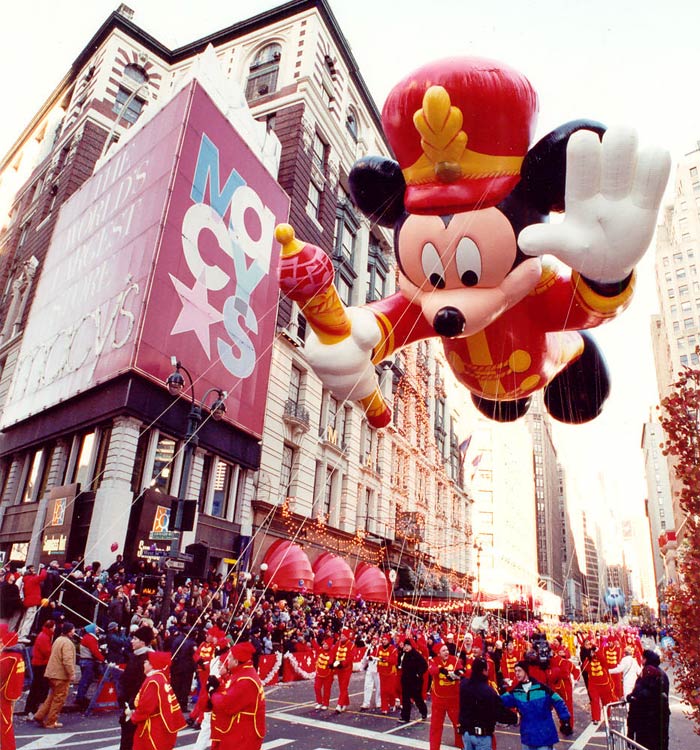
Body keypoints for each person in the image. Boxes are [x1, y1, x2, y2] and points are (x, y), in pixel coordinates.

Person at [500, 661, 572, 750]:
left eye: (519, 670)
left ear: (526, 671)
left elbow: (558, 700)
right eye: (515, 671)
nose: (517, 673)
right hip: (527, 737)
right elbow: (499, 702)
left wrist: (565, 720)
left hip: (544, 736)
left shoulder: (542, 688)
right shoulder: (516, 692)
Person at [210, 641, 266, 750]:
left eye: (230, 658)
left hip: (244, 733)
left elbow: (227, 705)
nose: (227, 661)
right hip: (240, 729)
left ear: (236, 661)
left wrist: (213, 694)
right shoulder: (242, 673)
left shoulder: (246, 680)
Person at [128, 651, 186, 750]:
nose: (143, 664)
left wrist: (132, 716)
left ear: (152, 665)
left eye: (146, 662)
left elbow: (145, 708)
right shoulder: (161, 677)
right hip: (161, 725)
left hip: (154, 728)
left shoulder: (153, 682)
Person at [459, 656, 517, 750]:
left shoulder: (464, 685)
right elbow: (499, 712)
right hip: (482, 736)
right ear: (484, 671)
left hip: (466, 734)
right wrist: (515, 718)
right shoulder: (488, 691)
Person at [34, 621, 77, 729]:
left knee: (51, 697)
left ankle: (40, 715)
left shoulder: (58, 640)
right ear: (70, 631)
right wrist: (71, 673)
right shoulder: (67, 643)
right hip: (60, 675)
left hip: (52, 673)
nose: (74, 631)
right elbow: (67, 660)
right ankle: (51, 721)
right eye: (73, 629)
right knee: (59, 699)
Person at [118, 625, 154, 750]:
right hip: (128, 702)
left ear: (143, 642)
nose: (132, 641)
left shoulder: (147, 659)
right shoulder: (135, 655)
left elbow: (141, 684)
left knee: (131, 738)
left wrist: (132, 704)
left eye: (135, 638)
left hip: (135, 705)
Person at [626, 650, 670, 750]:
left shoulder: (647, 674)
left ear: (645, 660)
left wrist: (630, 697)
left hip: (645, 723)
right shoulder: (662, 674)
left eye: (643, 658)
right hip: (660, 721)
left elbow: (637, 700)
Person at [428, 643, 464, 750]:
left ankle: (460, 744)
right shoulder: (434, 661)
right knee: (436, 726)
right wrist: (441, 669)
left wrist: (458, 673)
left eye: (447, 650)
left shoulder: (454, 659)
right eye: (443, 651)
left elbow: (461, 670)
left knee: (458, 724)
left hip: (454, 699)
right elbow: (431, 670)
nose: (446, 652)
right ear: (438, 653)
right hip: (439, 700)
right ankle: (434, 747)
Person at [22, 619, 55, 719]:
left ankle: (33, 709)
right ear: (50, 627)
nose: (55, 628)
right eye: (54, 627)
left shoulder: (43, 635)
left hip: (39, 664)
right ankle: (33, 709)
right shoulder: (44, 637)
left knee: (37, 687)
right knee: (38, 687)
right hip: (41, 665)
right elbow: (47, 652)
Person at [0, 624, 25, 750]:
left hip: (2, 695)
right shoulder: (18, 656)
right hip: (11, 693)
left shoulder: (6, 658)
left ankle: (8, 747)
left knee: (5, 723)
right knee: (6, 721)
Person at [580, 644, 617, 723]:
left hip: (604, 684)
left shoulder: (601, 659)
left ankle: (608, 715)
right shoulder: (588, 660)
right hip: (593, 685)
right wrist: (588, 660)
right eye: (591, 652)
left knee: (606, 702)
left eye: (594, 652)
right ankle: (596, 718)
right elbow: (585, 669)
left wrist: (597, 651)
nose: (593, 653)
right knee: (595, 701)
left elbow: (603, 660)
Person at [74, 623, 106, 709]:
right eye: (96, 628)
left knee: (86, 680)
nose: (97, 630)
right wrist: (103, 659)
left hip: (84, 661)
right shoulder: (91, 638)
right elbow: (94, 651)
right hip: (88, 661)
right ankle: (80, 698)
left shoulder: (87, 637)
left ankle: (81, 697)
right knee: (86, 680)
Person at [398, 638, 428, 723]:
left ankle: (423, 712)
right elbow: (399, 663)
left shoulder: (416, 654)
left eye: (408, 645)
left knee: (417, 698)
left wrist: (419, 673)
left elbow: (424, 665)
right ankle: (405, 717)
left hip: (415, 681)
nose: (406, 647)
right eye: (405, 646)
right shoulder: (403, 654)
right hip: (405, 679)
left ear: (411, 646)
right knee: (405, 699)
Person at [17, 563, 48, 642]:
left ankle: (19, 634)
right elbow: (42, 576)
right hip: (33, 602)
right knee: (29, 619)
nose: (34, 570)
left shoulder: (26, 579)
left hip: (27, 602)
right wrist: (44, 569)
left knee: (24, 619)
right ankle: (23, 636)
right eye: (32, 569)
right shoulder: (32, 579)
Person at [330, 627, 353, 713]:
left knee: (344, 686)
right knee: (342, 686)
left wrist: (342, 663)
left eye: (344, 636)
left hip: (346, 669)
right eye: (341, 635)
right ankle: (345, 702)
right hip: (339, 669)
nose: (342, 637)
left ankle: (339, 705)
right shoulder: (338, 644)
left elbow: (350, 657)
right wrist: (331, 663)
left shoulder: (351, 645)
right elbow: (332, 653)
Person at [376, 633, 400, 714]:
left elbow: (395, 660)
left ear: (389, 640)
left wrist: (386, 659)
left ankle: (392, 704)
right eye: (383, 639)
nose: (384, 641)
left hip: (390, 673)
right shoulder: (379, 648)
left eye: (385, 640)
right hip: (382, 672)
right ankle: (384, 708)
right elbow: (374, 655)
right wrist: (371, 657)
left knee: (391, 690)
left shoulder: (393, 649)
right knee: (383, 691)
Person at [360, 635, 381, 711]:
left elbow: (381, 659)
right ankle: (366, 702)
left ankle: (378, 702)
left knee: (378, 687)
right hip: (370, 669)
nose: (374, 641)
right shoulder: (368, 648)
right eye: (373, 640)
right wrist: (362, 667)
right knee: (367, 686)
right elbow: (364, 658)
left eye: (375, 640)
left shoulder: (380, 648)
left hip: (377, 670)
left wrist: (374, 658)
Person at [313, 637, 334, 710]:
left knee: (326, 689)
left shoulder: (331, 652)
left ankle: (325, 704)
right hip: (319, 673)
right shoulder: (320, 650)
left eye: (326, 644)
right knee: (317, 687)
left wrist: (331, 664)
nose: (324, 645)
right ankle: (319, 702)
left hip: (328, 674)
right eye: (324, 644)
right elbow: (315, 646)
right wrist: (312, 638)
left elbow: (331, 661)